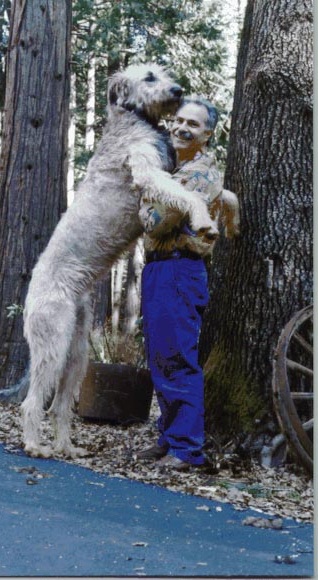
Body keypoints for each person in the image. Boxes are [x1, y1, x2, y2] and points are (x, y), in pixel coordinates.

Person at [137, 96, 237, 471]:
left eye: (192, 124)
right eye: (178, 120)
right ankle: (169, 437)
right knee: (161, 357)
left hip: (180, 270)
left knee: (178, 358)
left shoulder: (199, 175)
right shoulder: (175, 171)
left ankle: (186, 449)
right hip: (160, 270)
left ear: (207, 135)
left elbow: (155, 222)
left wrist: (148, 198)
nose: (181, 128)